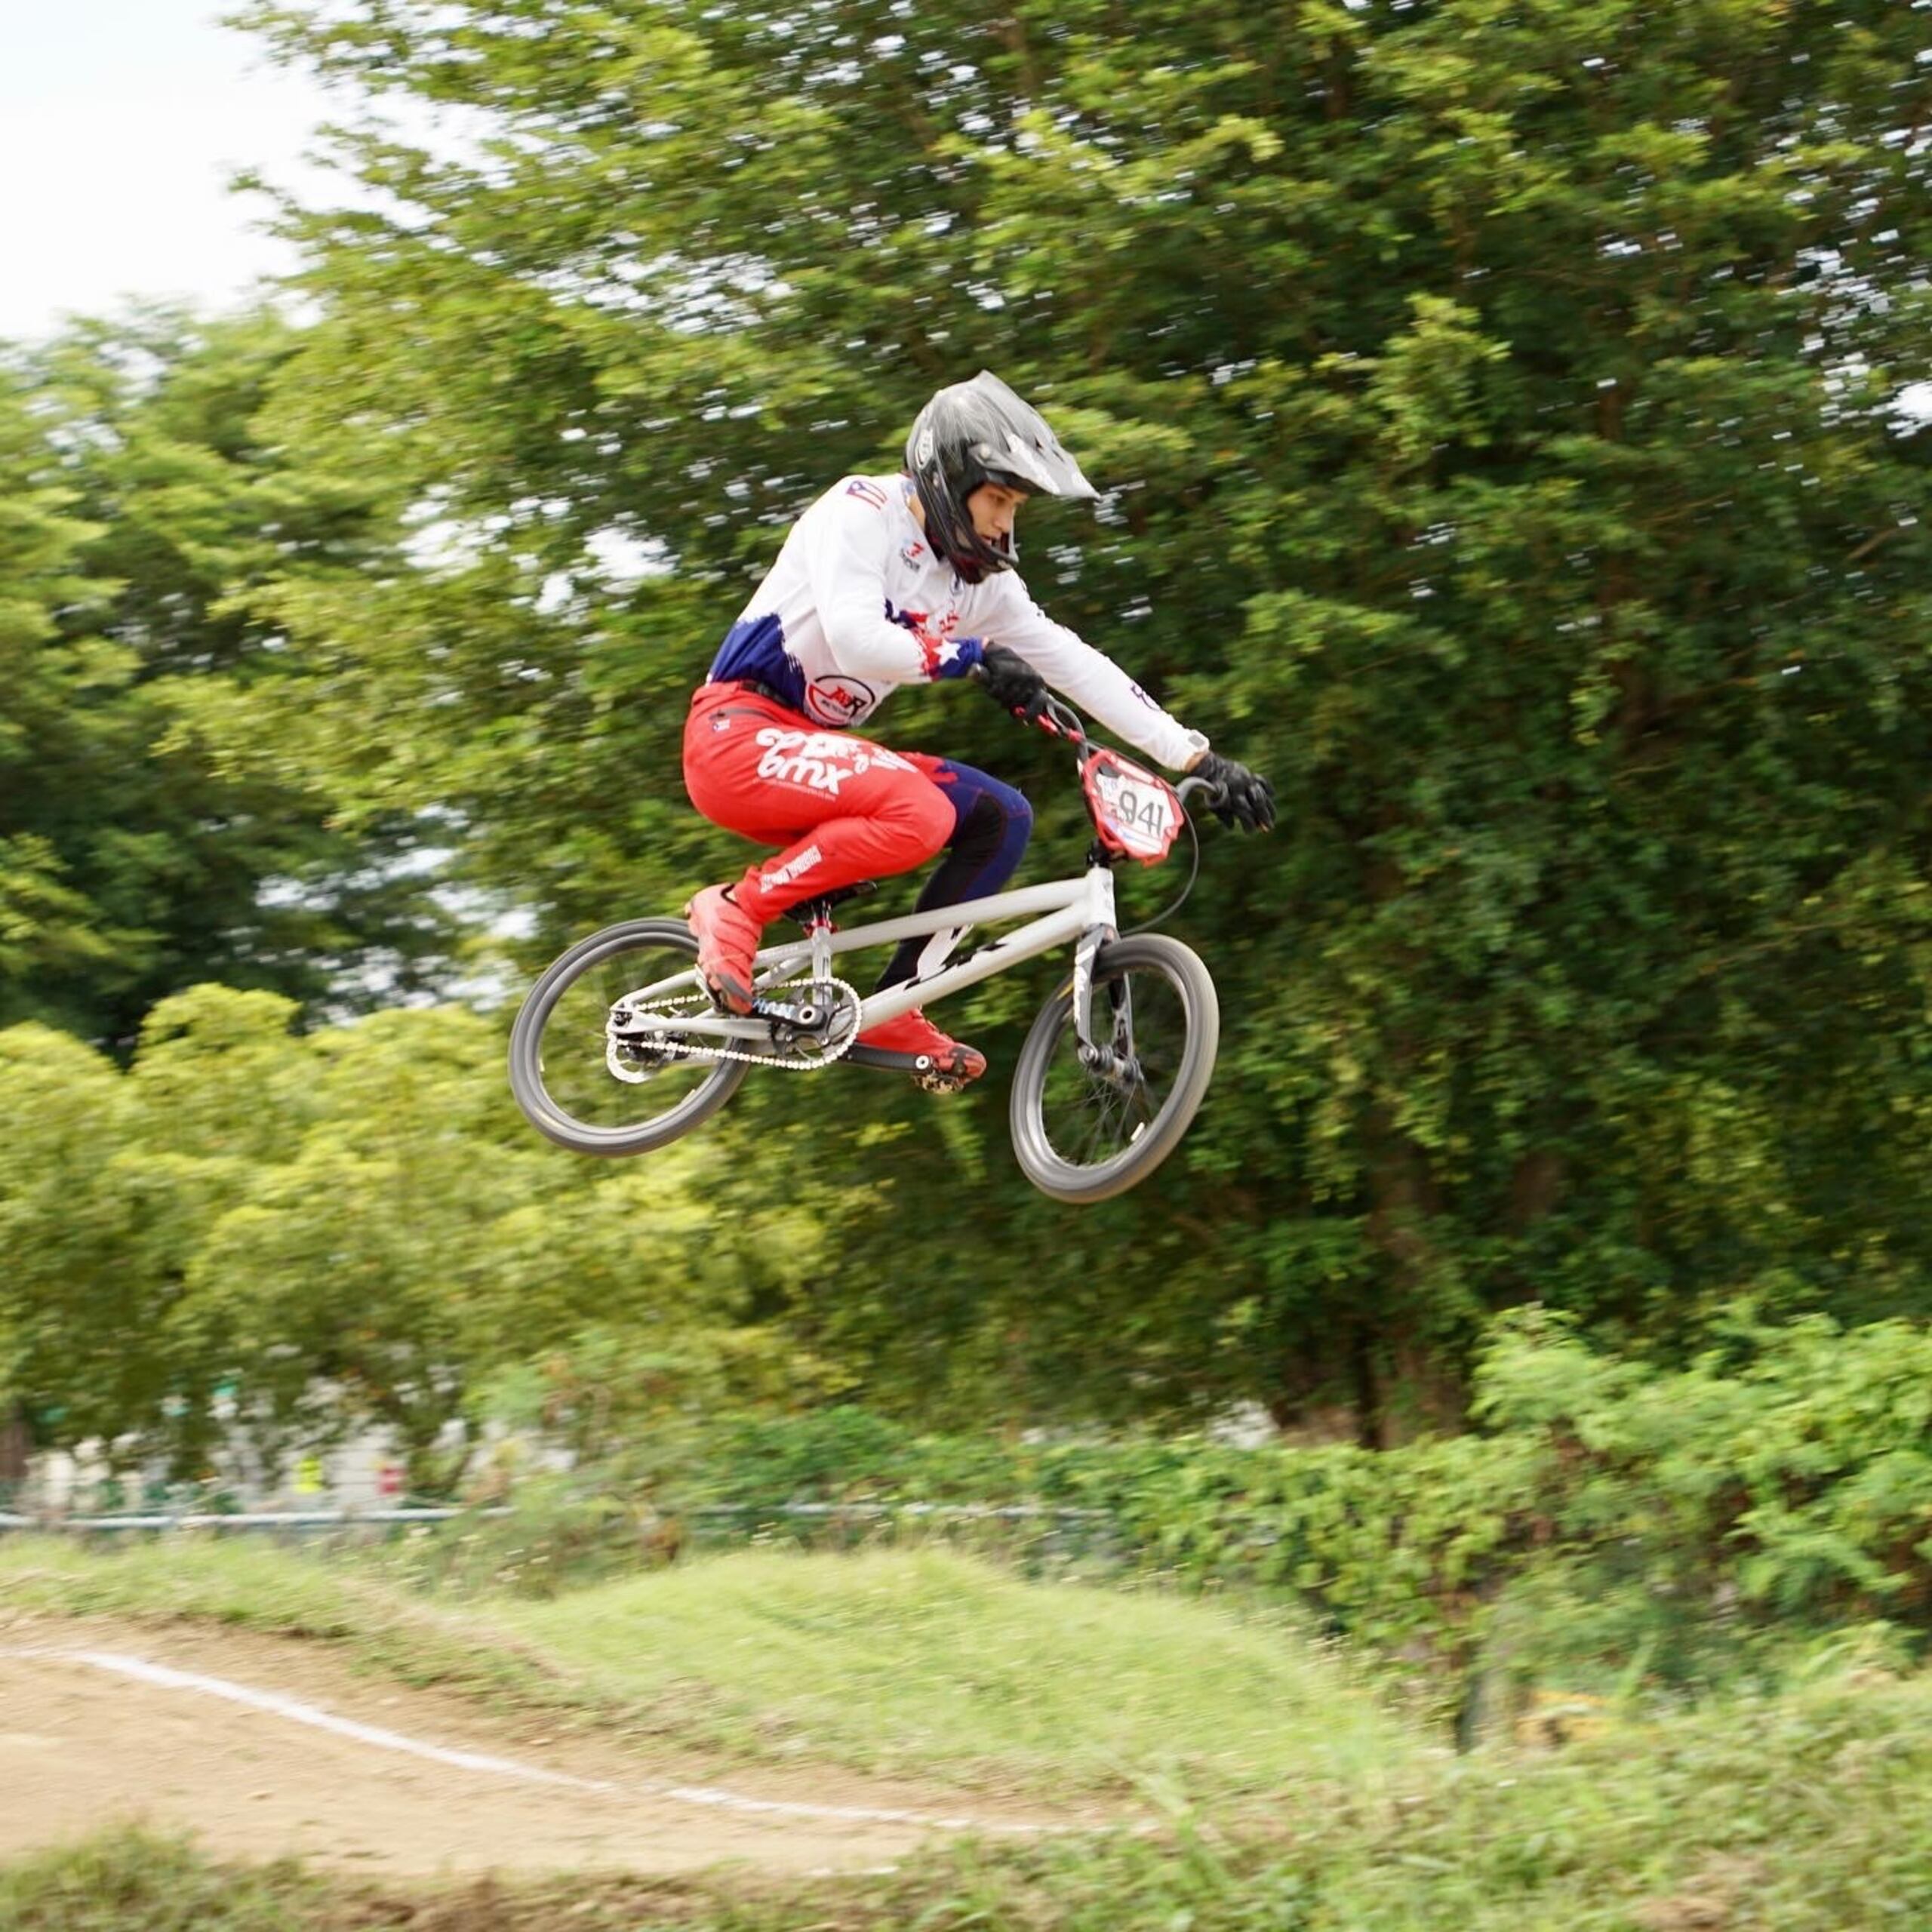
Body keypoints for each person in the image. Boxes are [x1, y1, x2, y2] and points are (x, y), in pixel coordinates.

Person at [682, 371, 1274, 1086]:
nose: (1004, 523)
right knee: (921, 811)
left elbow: (1077, 665)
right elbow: (855, 637)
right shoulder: (861, 511)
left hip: (816, 754)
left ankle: (901, 1001)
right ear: (946, 479)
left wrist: (1200, 758)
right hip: (736, 734)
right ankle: (737, 908)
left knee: (1002, 816)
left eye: (1015, 506)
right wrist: (970, 657)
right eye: (997, 499)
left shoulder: (983, 585)